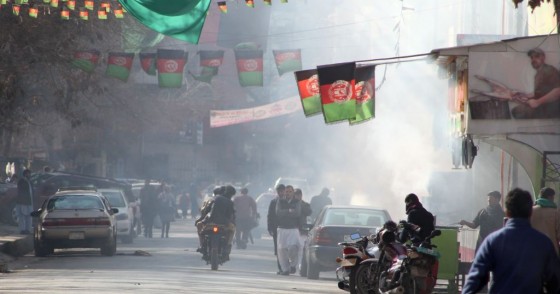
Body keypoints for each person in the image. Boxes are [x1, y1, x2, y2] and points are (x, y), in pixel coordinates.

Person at [462, 188, 560, 294]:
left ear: (507, 213)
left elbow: (475, 281)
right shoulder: (544, 243)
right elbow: (554, 282)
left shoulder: (492, 241)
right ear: (529, 212)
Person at [512, 47, 560, 119]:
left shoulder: (549, 70)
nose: (533, 60)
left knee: (518, 112)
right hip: (543, 107)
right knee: (516, 111)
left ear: (543, 57)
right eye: (532, 58)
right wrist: (522, 95)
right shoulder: (539, 73)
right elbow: (540, 92)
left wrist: (538, 102)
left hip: (550, 108)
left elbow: (558, 91)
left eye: (537, 56)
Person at [197, 185, 236, 261]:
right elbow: (231, 215)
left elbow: (205, 211)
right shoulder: (230, 202)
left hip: (210, 221)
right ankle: (228, 245)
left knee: (199, 226)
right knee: (232, 230)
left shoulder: (214, 199)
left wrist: (203, 219)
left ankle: (202, 245)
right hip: (224, 223)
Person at [275, 185, 302, 275]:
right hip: (282, 228)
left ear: (293, 192)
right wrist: (289, 211)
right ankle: (285, 269)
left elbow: (297, 213)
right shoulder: (280, 201)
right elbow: (278, 213)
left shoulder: (297, 202)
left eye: (290, 191)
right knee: (281, 249)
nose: (288, 193)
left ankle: (293, 265)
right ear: (284, 192)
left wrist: (285, 212)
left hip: (293, 229)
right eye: (286, 191)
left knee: (293, 248)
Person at [530, 187, 560, 256]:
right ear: (550, 197)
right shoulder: (555, 213)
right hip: (551, 251)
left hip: (533, 250)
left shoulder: (530, 211)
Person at [294, 188, 312, 273]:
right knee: (292, 248)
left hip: (301, 229)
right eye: (296, 195)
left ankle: (300, 267)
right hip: (292, 228)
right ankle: (293, 265)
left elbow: (309, 212)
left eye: (299, 195)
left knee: (301, 248)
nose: (298, 196)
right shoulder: (290, 204)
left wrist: (300, 204)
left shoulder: (305, 204)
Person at [16, 169, 33, 235]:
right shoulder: (21, 181)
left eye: (30, 174)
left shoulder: (30, 181)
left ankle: (28, 229)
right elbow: (20, 191)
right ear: (25, 174)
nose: (29, 175)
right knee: (22, 216)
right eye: (28, 174)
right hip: (22, 202)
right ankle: (22, 230)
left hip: (29, 202)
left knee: (29, 216)